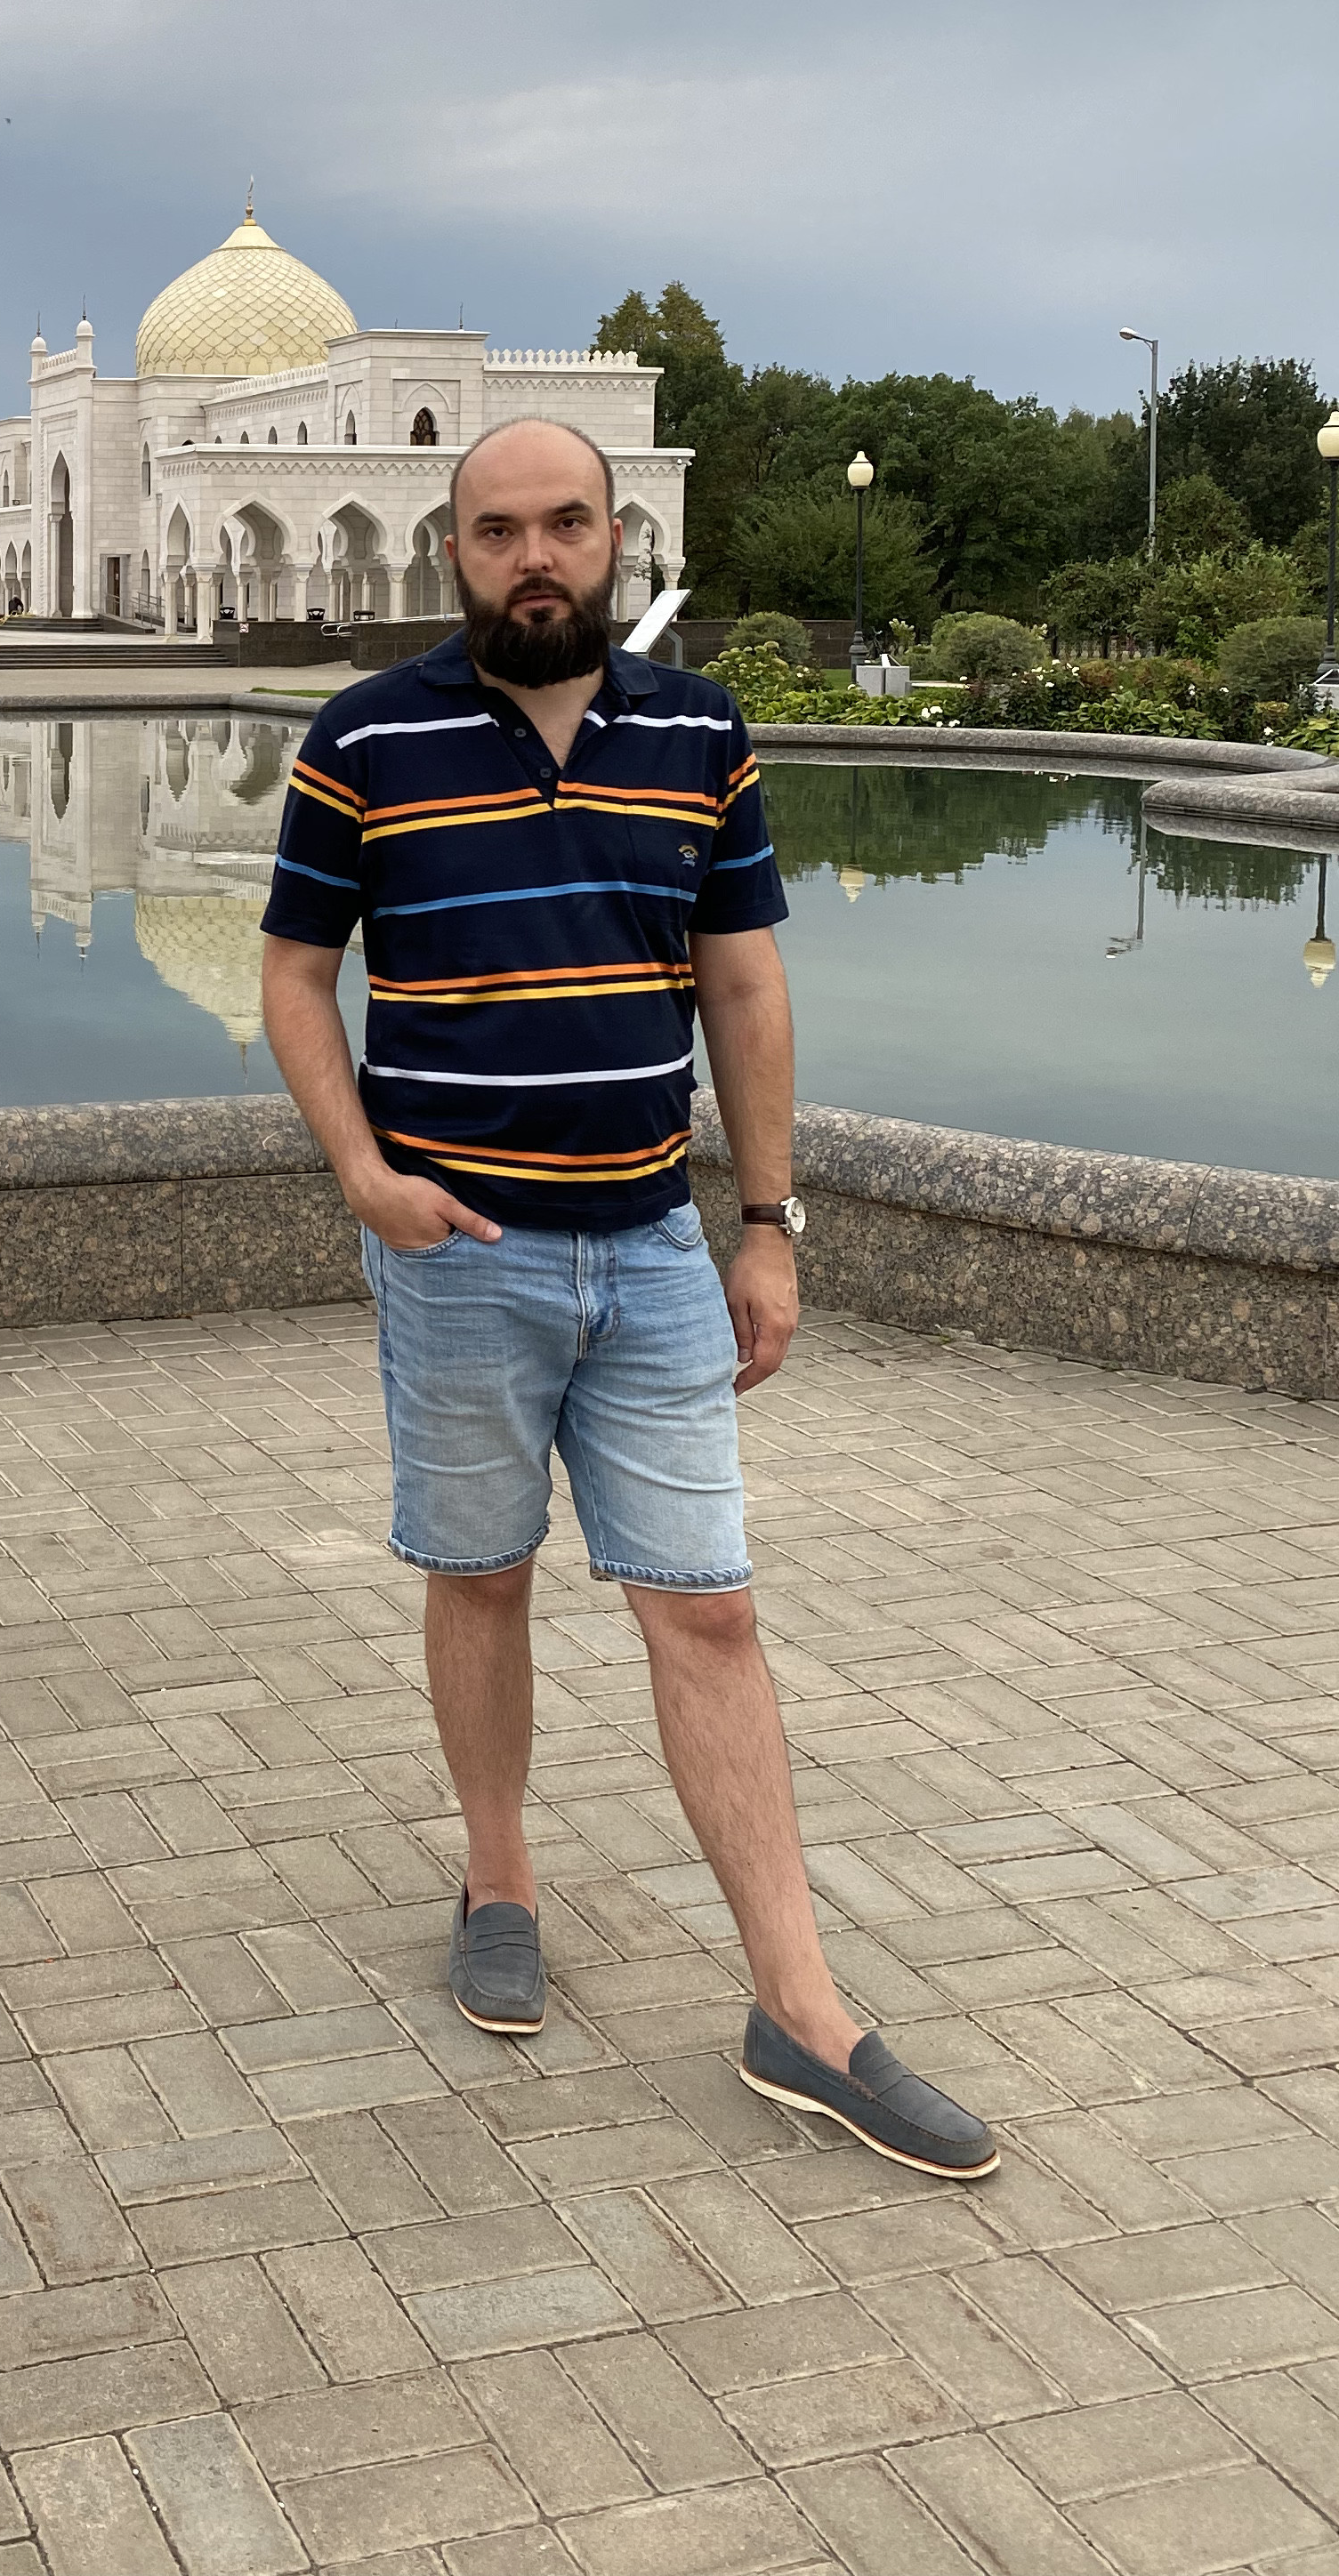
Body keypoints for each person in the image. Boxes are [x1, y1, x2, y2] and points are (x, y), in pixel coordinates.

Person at [260, 415, 996, 2181]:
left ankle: (801, 2010)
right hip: (460, 1256)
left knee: (709, 1613)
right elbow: (294, 973)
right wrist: (364, 1175)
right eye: (499, 528)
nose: (536, 556)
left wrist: (769, 1223)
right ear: (453, 549)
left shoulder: (699, 735)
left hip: (654, 1251)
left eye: (567, 523)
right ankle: (499, 1874)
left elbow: (743, 988)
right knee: (481, 1574)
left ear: (617, 538)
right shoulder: (367, 740)